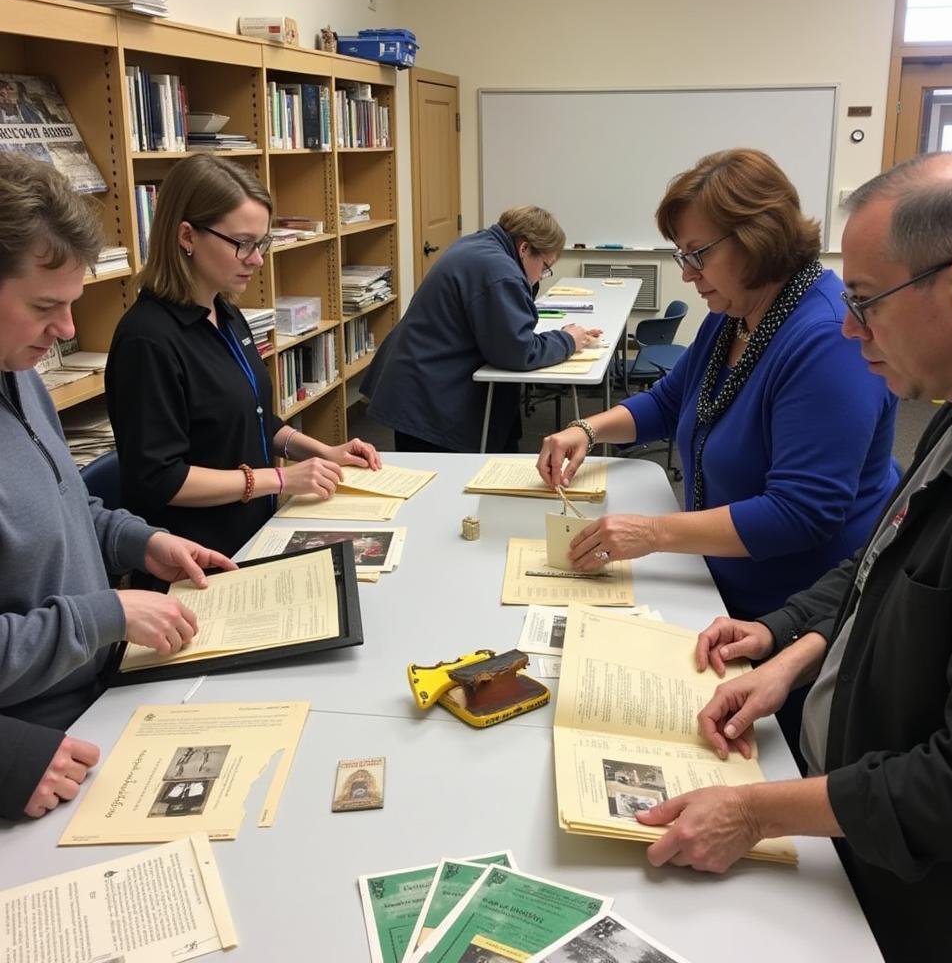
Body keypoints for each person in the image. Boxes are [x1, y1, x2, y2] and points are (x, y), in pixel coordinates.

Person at [638, 152, 952, 961]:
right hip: (835, 802)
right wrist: (790, 647)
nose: (848, 330)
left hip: (911, 897)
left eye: (864, 303)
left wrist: (756, 812)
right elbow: (885, 560)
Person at [537, 149, 900, 624]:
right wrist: (585, 429)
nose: (687, 273)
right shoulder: (735, 313)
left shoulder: (828, 340)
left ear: (758, 238)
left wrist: (651, 534)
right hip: (718, 579)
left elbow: (801, 513)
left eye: (697, 254)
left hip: (793, 612)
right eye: (681, 256)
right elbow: (669, 403)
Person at [0, 153, 234, 821]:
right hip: (43, 746)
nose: (68, 331)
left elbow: (68, 500)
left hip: (100, 688)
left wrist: (143, 539)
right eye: (46, 306)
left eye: (73, 304)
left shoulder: (18, 373)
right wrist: (110, 613)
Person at [105, 155, 381, 560]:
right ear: (187, 236)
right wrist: (281, 478)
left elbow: (253, 418)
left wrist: (321, 451)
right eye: (243, 244)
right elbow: (159, 479)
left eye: (262, 243)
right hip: (198, 558)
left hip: (256, 533)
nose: (257, 259)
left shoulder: (226, 312)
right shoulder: (147, 341)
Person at [360, 206, 602, 453]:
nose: (541, 277)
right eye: (545, 267)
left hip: (419, 375)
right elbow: (518, 351)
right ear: (525, 249)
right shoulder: (500, 271)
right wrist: (568, 340)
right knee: (443, 482)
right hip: (427, 393)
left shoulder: (481, 245)